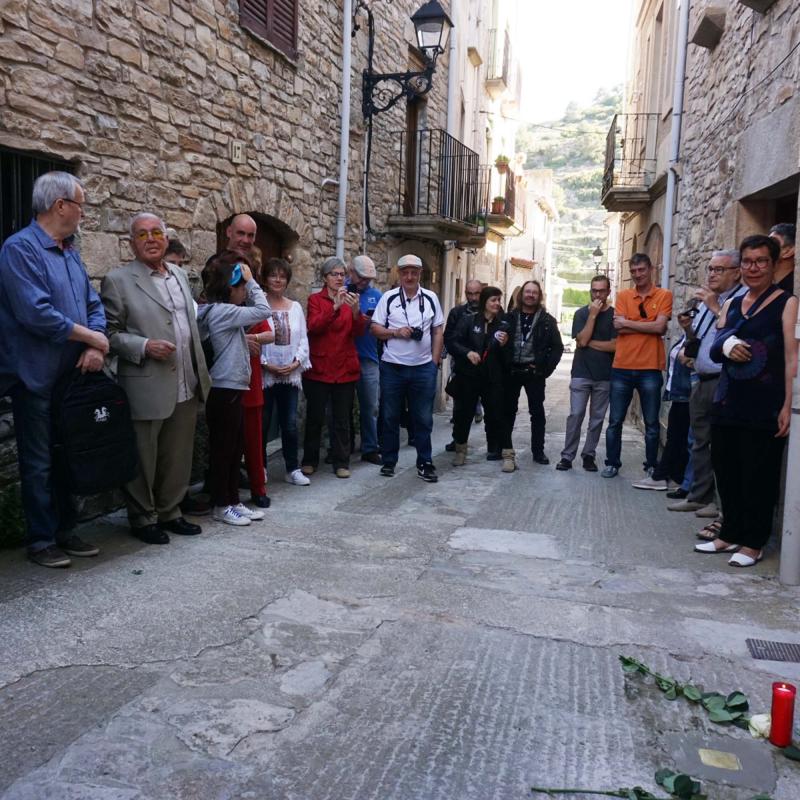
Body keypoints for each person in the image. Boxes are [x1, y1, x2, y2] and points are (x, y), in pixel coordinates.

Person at [0, 172, 108, 568]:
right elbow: (36, 314)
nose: (83, 213)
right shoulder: (20, 249)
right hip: (35, 378)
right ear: (60, 205)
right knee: (39, 461)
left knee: (68, 456)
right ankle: (41, 539)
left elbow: (93, 305)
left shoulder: (70, 252)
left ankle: (66, 530)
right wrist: (92, 338)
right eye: (80, 204)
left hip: (73, 377)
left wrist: (95, 343)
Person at [101, 213, 211, 545]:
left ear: (165, 238)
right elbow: (109, 333)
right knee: (144, 456)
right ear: (131, 242)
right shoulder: (118, 280)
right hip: (146, 381)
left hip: (186, 379)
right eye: (142, 234)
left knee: (178, 454)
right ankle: (142, 517)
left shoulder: (179, 274)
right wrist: (144, 345)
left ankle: (171, 511)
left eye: (156, 233)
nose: (150, 239)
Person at [694, 234, 798, 567]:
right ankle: (730, 534)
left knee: (759, 474)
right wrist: (726, 347)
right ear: (741, 268)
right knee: (727, 469)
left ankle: (753, 542)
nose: (754, 268)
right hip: (728, 400)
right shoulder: (730, 304)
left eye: (761, 261)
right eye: (748, 262)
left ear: (773, 264)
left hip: (765, 402)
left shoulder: (787, 302)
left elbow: (792, 358)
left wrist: (787, 404)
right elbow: (714, 346)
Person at [667, 250, 745, 518]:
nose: (712, 274)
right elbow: (698, 339)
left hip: (724, 380)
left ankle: (720, 505)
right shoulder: (706, 300)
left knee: (721, 444)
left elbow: (735, 330)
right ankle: (699, 496)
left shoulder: (741, 300)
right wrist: (688, 328)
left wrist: (714, 306)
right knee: (699, 441)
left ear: (736, 273)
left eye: (719, 269)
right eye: (710, 268)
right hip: (700, 380)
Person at [197, 252, 271, 525]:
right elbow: (264, 310)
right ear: (231, 289)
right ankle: (221, 504)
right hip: (225, 388)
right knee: (224, 450)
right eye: (241, 288)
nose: (245, 292)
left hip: (232, 388)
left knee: (234, 447)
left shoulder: (224, 312)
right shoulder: (224, 311)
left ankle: (232, 500)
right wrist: (253, 282)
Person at [370, 254, 444, 482]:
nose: (409, 276)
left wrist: (433, 362)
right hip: (393, 367)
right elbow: (375, 328)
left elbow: (438, 329)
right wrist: (396, 332)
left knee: (423, 418)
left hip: (422, 368)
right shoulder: (389, 298)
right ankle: (389, 461)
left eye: (414, 272)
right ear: (399, 274)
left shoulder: (431, 298)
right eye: (405, 272)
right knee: (390, 416)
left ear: (420, 274)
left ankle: (425, 462)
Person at [601, 253, 672, 478]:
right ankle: (612, 463)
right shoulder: (623, 296)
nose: (637, 275)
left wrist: (630, 323)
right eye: (633, 271)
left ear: (651, 269)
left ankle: (651, 465)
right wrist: (647, 324)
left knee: (651, 423)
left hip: (650, 367)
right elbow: (619, 328)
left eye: (641, 270)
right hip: (622, 367)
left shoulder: (664, 295)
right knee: (615, 421)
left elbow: (660, 328)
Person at [301, 257, 366, 478]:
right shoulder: (315, 300)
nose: (339, 278)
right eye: (334, 274)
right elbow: (313, 326)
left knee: (341, 419)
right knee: (315, 418)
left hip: (344, 367)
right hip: (319, 367)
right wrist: (335, 307)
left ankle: (341, 462)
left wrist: (356, 313)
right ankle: (310, 460)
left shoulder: (350, 300)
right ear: (325, 277)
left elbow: (357, 332)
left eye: (342, 274)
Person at [448, 286, 514, 471]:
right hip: (469, 376)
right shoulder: (468, 321)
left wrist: (505, 345)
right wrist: (467, 353)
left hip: (493, 378)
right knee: (464, 415)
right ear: (485, 301)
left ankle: (508, 454)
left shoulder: (504, 324)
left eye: (499, 300)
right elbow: (453, 342)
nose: (497, 304)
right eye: (493, 300)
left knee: (499, 415)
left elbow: (509, 355)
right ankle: (461, 450)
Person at [556, 275, 616, 473]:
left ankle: (589, 455)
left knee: (597, 418)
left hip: (604, 375)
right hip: (581, 373)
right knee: (576, 414)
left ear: (608, 291)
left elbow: (614, 346)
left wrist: (588, 342)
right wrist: (592, 316)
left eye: (601, 291)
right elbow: (581, 341)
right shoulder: (581, 313)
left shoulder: (615, 315)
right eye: (594, 290)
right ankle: (567, 456)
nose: (597, 294)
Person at [260, 258, 312, 486]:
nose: (278, 280)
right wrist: (265, 364)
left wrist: (295, 363)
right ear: (265, 278)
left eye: (282, 276)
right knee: (262, 423)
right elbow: (251, 337)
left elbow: (303, 340)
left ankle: (292, 468)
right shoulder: (258, 306)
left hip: (289, 374)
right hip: (265, 374)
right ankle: (259, 468)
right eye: (273, 275)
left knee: (289, 423)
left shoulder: (295, 307)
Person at [505, 280, 563, 464]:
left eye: (534, 292)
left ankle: (538, 451)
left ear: (539, 296)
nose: (530, 295)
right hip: (511, 371)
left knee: (537, 413)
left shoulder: (547, 321)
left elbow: (557, 348)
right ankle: (505, 449)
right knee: (507, 412)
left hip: (533, 372)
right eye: (527, 292)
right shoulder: (510, 318)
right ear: (521, 294)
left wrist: (545, 370)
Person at [631, 325, 692, 490]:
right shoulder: (684, 338)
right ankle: (675, 476)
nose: (682, 319)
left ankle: (662, 476)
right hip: (678, 393)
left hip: (687, 394)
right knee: (676, 436)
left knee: (679, 437)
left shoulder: (695, 339)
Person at [240, 246, 274, 508]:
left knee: (254, 440)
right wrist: (244, 339)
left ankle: (257, 487)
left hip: (250, 381)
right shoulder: (221, 301)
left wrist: (249, 338)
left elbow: (270, 333)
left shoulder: (256, 301)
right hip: (226, 381)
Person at [347, 255, 383, 464]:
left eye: (367, 279)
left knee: (370, 406)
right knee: (342, 407)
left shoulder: (377, 296)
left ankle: (370, 447)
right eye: (361, 277)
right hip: (343, 357)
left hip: (368, 358)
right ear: (351, 271)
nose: (363, 282)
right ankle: (344, 445)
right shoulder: (340, 291)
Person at [443, 279, 482, 454]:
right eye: (469, 293)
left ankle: (495, 445)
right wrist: (463, 353)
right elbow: (448, 338)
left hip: (485, 368)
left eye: (476, 293)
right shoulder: (457, 313)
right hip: (462, 367)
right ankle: (458, 440)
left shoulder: (490, 311)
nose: (473, 297)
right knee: (460, 409)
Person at [769, 223, 795, 294]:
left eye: (772, 242)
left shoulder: (794, 289)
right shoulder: (764, 285)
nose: (765, 246)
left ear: (788, 251)